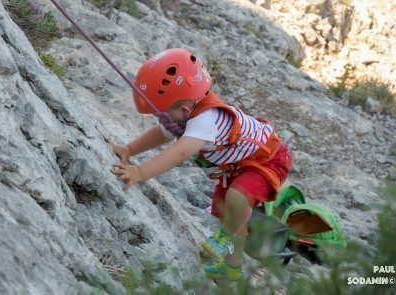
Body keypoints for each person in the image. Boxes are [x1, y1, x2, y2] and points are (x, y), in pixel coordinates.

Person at [111, 48, 292, 280]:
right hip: (236, 165)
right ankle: (231, 269)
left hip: (267, 159)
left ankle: (225, 236)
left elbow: (180, 152)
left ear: (184, 109)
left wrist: (139, 171)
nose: (160, 120)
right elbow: (161, 134)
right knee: (228, 212)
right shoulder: (185, 113)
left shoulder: (206, 119)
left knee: (237, 198)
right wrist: (129, 150)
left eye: (161, 114)